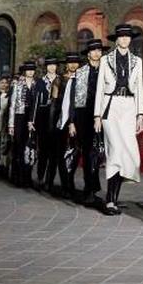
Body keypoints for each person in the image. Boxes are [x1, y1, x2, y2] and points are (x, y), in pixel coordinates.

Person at [94, 23, 143, 216]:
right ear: (116, 39)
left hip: (129, 107)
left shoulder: (137, 61)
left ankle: (114, 198)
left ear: (131, 39)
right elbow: (99, 88)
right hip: (110, 106)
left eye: (127, 36)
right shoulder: (106, 60)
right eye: (121, 36)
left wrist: (140, 114)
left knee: (128, 153)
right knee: (115, 151)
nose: (124, 39)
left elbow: (139, 87)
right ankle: (110, 201)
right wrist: (97, 115)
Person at [70, 39, 105, 205]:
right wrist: (72, 121)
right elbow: (73, 99)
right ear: (88, 53)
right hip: (84, 116)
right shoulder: (81, 72)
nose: (97, 53)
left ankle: (93, 187)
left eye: (99, 50)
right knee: (87, 152)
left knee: (98, 153)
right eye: (93, 50)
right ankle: (89, 189)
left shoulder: (106, 71)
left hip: (102, 115)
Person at [46, 54, 80, 199]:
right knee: (58, 154)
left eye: (76, 63)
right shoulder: (59, 80)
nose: (73, 65)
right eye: (70, 63)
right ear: (66, 64)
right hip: (60, 120)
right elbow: (53, 104)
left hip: (76, 120)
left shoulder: (80, 80)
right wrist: (52, 125)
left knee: (73, 153)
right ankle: (56, 183)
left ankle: (69, 183)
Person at [32, 58, 62, 190]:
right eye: (49, 65)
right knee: (43, 150)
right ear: (46, 67)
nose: (51, 67)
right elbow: (36, 102)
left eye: (53, 65)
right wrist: (32, 120)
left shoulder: (61, 80)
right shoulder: (40, 82)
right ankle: (40, 177)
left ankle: (49, 180)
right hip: (43, 116)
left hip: (57, 116)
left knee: (54, 152)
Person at [8, 62, 38, 186]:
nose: (30, 72)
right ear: (24, 71)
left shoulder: (37, 84)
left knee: (30, 148)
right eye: (28, 70)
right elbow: (12, 105)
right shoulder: (17, 84)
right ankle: (17, 177)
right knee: (18, 147)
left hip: (32, 118)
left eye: (32, 70)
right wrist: (11, 124)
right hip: (19, 117)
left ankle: (28, 177)